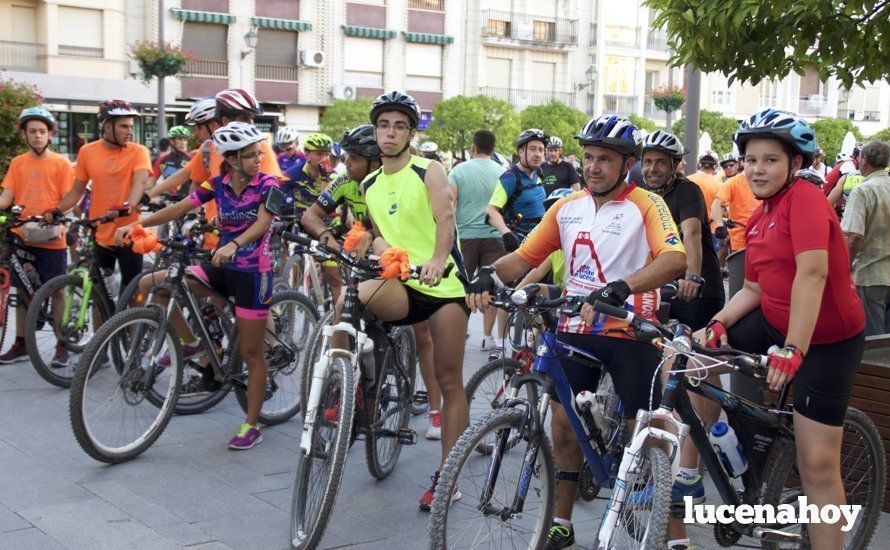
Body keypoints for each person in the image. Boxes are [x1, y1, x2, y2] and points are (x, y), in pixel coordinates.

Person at [467, 115, 686, 549]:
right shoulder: (567, 207)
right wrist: (488, 276)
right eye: (587, 157)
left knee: (649, 434)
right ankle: (561, 524)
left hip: (629, 331)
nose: (593, 166)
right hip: (573, 326)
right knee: (564, 429)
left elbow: (675, 259)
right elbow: (526, 257)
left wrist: (625, 286)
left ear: (627, 163)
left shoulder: (646, 204)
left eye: (604, 158)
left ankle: (676, 537)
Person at [684, 109, 865, 550]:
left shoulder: (804, 199)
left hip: (826, 339)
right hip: (779, 321)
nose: (757, 169)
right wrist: (718, 323)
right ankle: (708, 464)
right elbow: (752, 288)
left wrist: (792, 350)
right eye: (750, 160)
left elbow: (813, 275)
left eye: (770, 160)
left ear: (794, 164)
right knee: (694, 360)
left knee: (818, 464)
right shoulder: (761, 215)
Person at [116, 121, 283, 449]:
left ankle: (251, 424)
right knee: (158, 284)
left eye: (258, 154)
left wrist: (234, 245)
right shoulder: (217, 183)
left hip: (253, 274)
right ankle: (192, 342)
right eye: (249, 156)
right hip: (221, 266)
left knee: (251, 354)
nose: (257, 160)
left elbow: (264, 223)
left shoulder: (269, 183)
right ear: (231, 160)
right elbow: (180, 206)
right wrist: (138, 223)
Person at [345, 91, 469, 510]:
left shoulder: (428, 170)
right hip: (401, 281)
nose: (390, 133)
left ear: (411, 133)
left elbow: (444, 221)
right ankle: (350, 389)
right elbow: (380, 231)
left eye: (399, 126)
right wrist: (375, 244)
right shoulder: (369, 182)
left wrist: (436, 259)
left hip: (443, 286)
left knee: (449, 380)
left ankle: (447, 475)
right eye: (384, 125)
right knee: (353, 299)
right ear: (375, 131)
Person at [0, 108, 74, 365]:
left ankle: (62, 343)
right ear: (24, 134)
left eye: (42, 132)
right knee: (20, 291)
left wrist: (56, 213)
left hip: (51, 237)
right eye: (32, 132)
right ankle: (21, 342)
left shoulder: (61, 163)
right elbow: (6, 197)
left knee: (57, 291)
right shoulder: (18, 162)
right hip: (23, 234)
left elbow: (69, 199)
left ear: (50, 135)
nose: (38, 136)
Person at [54, 99, 150, 292]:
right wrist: (55, 211)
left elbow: (140, 181)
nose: (129, 131)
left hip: (130, 232)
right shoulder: (87, 151)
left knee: (131, 292)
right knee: (99, 293)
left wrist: (128, 205)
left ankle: (131, 322)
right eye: (123, 126)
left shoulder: (139, 151)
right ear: (107, 126)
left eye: (131, 126)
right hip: (100, 232)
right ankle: (104, 323)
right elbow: (76, 191)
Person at [641, 131, 724, 329]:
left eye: (660, 162)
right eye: (647, 162)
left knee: (689, 354)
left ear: (674, 164)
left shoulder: (687, 190)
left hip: (698, 290)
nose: (652, 168)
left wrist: (692, 278)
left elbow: (692, 232)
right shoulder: (644, 197)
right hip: (664, 288)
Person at [447, 130, 509, 360]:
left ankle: (460, 332)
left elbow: (450, 204)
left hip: (465, 237)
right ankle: (487, 336)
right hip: (495, 235)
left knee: (461, 286)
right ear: (493, 149)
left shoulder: (458, 170)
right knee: (492, 284)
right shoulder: (502, 172)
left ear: (473, 147)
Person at [841, 140, 890, 335]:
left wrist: (843, 268)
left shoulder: (864, 190)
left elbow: (853, 236)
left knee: (874, 340)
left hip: (870, 274)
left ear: (865, 160)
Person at [486, 129, 548, 251]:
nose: (538, 154)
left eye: (541, 150)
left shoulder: (539, 173)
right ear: (521, 151)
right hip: (520, 243)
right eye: (532, 149)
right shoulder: (510, 177)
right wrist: (506, 233)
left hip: (540, 240)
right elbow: (490, 211)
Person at [282, 133, 334, 216]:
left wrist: (325, 178)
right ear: (307, 154)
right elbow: (275, 198)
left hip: (323, 221)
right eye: (319, 154)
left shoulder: (334, 176)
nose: (324, 158)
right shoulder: (291, 173)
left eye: (327, 154)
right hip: (297, 221)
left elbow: (326, 207)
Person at [712, 169, 758, 253]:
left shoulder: (766, 181)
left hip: (764, 234)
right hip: (740, 238)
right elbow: (715, 205)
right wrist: (719, 226)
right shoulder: (733, 182)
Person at [148, 125, 193, 194]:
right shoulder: (162, 158)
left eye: (185, 140)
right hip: (168, 200)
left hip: (185, 200)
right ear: (171, 141)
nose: (183, 143)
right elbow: (152, 182)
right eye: (180, 139)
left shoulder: (190, 158)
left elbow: (196, 182)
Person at [687, 149, 722, 229]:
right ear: (715, 166)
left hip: (689, 227)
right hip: (711, 229)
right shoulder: (719, 185)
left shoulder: (687, 180)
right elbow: (724, 211)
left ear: (700, 164)